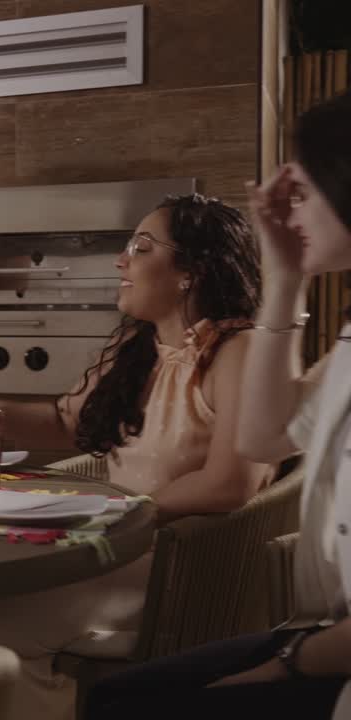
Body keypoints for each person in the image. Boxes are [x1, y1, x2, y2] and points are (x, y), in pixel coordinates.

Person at [0, 194, 272, 720]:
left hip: (180, 567)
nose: (121, 260)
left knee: (3, 625)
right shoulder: (140, 350)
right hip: (113, 549)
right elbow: (68, 423)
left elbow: (232, 483)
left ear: (190, 271)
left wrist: (128, 516)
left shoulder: (239, 351)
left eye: (141, 246)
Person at [86, 91, 351, 720]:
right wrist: (285, 278)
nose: (292, 208)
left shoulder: (223, 350)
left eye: (307, 188)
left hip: (331, 656)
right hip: (319, 632)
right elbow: (265, 437)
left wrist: (284, 665)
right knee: (114, 697)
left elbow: (240, 468)